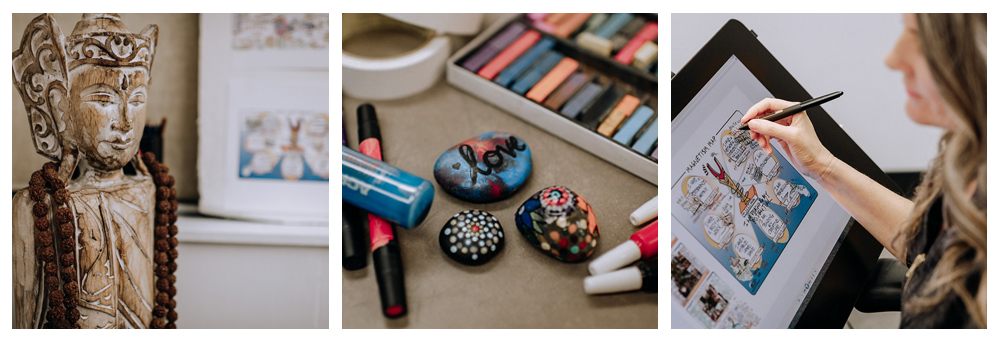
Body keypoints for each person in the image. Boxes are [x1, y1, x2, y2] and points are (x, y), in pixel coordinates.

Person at [741, 13, 985, 328]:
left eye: (920, 37)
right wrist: (820, 165)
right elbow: (937, 246)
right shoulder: (976, 159)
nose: (893, 58)